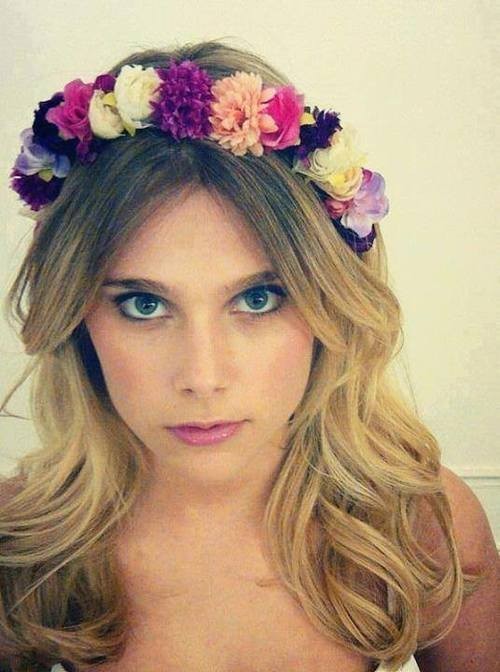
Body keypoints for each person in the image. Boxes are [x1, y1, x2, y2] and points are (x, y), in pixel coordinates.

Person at [0, 38, 498, 672]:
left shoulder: (421, 523)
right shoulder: (22, 544)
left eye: (258, 299)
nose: (203, 377)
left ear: (329, 304)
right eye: (144, 305)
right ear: (76, 318)